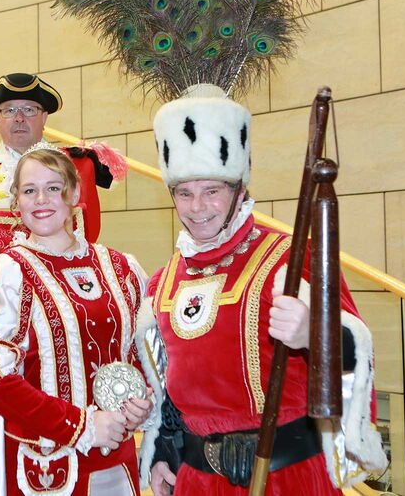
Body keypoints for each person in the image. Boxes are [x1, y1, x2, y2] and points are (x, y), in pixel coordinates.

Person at [137, 85, 387, 495]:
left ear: (240, 190)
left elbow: (360, 354)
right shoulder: (164, 281)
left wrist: (314, 335)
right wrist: (167, 447)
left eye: (212, 191)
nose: (197, 207)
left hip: (287, 479)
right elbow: (171, 383)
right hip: (197, 482)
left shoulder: (292, 258)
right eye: (184, 193)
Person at [0, 145, 153, 495]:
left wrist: (144, 401)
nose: (41, 200)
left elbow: (146, 354)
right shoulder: (5, 271)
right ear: (15, 201)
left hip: (118, 457)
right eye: (29, 190)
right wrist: (81, 425)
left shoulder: (120, 267)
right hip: (45, 462)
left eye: (53, 188)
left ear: (75, 193)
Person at [0, 73, 112, 250]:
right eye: (9, 110)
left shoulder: (79, 164)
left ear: (44, 118)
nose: (19, 118)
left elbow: (89, 234)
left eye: (29, 109)